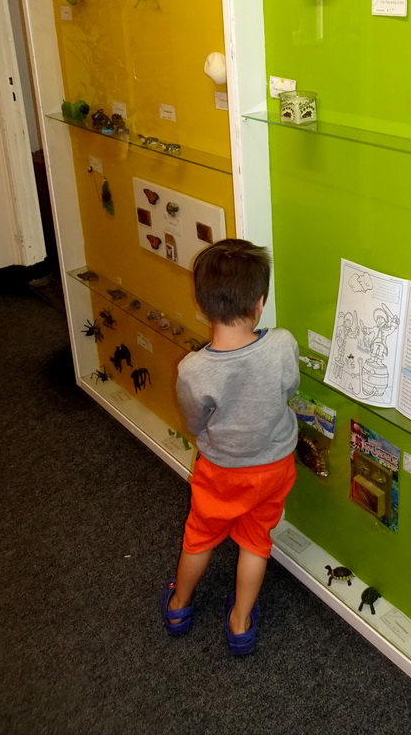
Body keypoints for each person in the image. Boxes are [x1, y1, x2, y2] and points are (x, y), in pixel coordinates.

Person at [161, 239, 299, 654]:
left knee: (200, 536)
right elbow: (289, 388)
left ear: (201, 305)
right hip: (274, 466)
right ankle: (240, 623)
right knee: (256, 541)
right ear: (260, 303)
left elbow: (194, 419)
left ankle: (179, 604)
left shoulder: (193, 369)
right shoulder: (282, 344)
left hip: (220, 471)